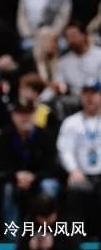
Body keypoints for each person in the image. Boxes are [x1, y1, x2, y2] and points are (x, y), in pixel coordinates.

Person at [0, 96, 58, 224]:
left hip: (40, 178)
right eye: (20, 114)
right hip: (14, 179)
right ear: (13, 116)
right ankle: (12, 232)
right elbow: (3, 165)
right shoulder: (4, 136)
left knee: (49, 186)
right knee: (7, 189)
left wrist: (34, 177)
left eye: (29, 113)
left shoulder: (45, 135)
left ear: (34, 114)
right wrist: (16, 176)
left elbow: (51, 167)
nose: (25, 118)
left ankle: (47, 228)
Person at [57, 77, 101, 229]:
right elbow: (65, 150)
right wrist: (73, 169)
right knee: (76, 189)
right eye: (86, 93)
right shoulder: (71, 122)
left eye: (94, 93)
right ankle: (77, 234)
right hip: (81, 174)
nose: (89, 98)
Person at [56, 21, 101, 96]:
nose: (71, 40)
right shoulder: (63, 62)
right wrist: (59, 88)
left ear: (83, 35)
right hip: (76, 99)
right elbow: (60, 85)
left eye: (73, 35)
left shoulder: (99, 55)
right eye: (67, 37)